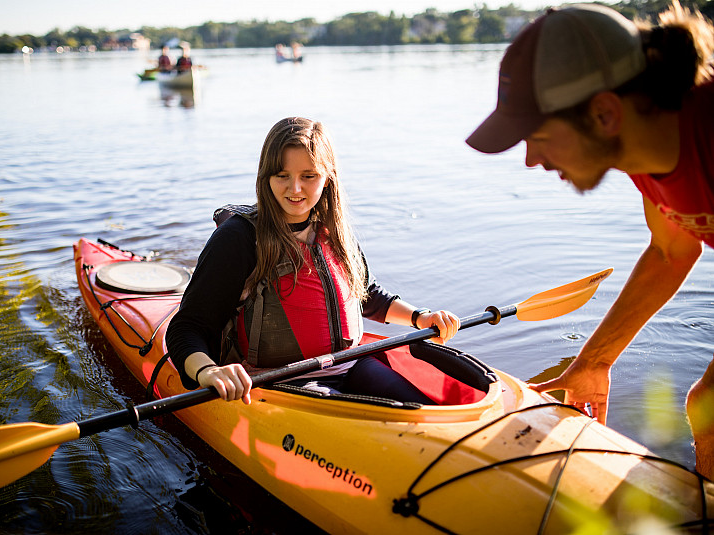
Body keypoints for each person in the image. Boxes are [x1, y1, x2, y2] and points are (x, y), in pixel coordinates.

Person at [465, 2, 714, 477]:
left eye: (537, 136)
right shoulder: (643, 155)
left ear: (603, 113)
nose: (530, 160)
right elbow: (672, 250)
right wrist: (594, 361)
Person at [166, 117, 461, 405]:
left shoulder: (333, 230)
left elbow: (364, 294)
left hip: (348, 364)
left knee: (419, 406)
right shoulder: (239, 238)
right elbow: (186, 328)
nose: (295, 189)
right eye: (282, 175)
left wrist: (420, 317)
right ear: (265, 177)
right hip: (279, 381)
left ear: (327, 177)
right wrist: (209, 371)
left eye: (308, 176)